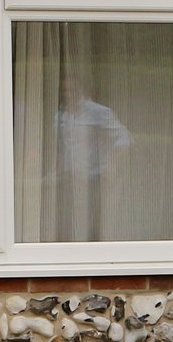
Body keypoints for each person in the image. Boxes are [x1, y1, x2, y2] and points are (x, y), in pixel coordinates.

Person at [56, 69, 131, 239]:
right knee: (69, 224)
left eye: (72, 89)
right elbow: (62, 145)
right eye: (65, 90)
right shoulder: (60, 116)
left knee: (91, 225)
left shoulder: (98, 112)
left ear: (81, 89)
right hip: (69, 179)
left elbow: (124, 138)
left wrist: (112, 165)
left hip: (93, 180)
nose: (68, 93)